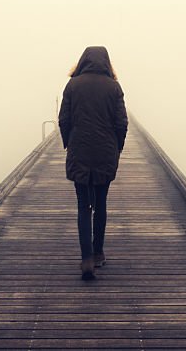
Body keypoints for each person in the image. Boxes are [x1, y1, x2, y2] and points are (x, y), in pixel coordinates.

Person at [58, 46, 129, 281]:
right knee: (100, 203)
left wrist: (69, 142)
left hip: (80, 150)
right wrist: (116, 147)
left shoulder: (73, 85)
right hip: (105, 152)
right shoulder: (113, 86)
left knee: (82, 206)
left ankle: (86, 258)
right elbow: (121, 123)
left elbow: (63, 119)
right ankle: (98, 253)